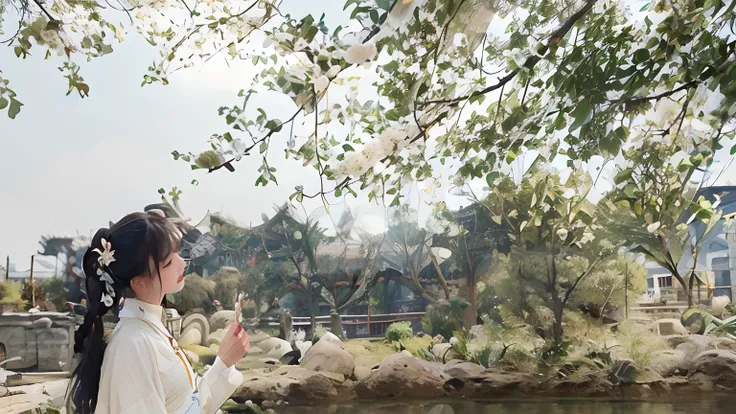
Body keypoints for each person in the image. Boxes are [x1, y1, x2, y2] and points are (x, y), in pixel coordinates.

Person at [67, 211, 250, 414]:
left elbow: (187, 404)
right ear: (139, 282)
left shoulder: (147, 330)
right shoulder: (133, 346)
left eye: (178, 253)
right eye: (169, 262)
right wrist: (222, 364)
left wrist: (223, 363)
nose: (182, 263)